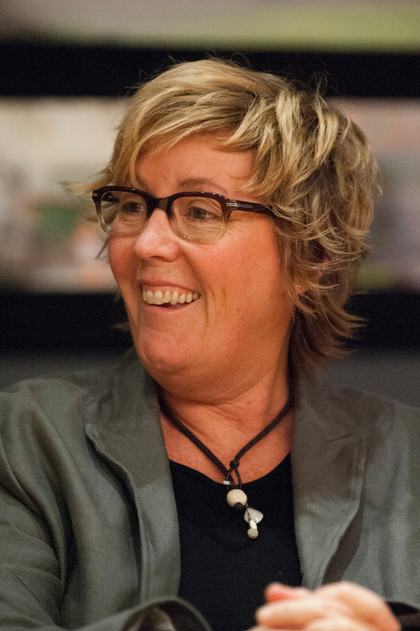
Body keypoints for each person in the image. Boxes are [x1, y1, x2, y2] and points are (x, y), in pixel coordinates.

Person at [0, 58, 419, 631]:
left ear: (311, 258)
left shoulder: (407, 457)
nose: (146, 243)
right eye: (132, 206)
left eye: (200, 211)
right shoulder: (25, 440)